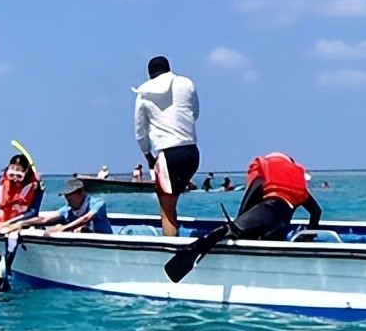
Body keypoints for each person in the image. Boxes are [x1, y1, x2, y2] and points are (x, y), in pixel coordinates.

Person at [164, 151, 321, 282]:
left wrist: (239, 222)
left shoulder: (262, 177)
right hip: (281, 226)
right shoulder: (299, 187)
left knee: (226, 231)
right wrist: (309, 235)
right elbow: (316, 211)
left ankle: (184, 260)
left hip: (266, 214)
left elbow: (247, 204)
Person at [133, 55, 200, 236]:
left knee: (167, 212)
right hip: (192, 152)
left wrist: (149, 157)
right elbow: (195, 112)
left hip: (169, 156)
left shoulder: (144, 94)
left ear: (150, 75)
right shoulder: (186, 84)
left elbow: (140, 132)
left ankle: (172, 248)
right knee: (173, 200)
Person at [0, 177, 113, 236]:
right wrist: (20, 223)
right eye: (66, 195)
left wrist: (63, 229)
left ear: (80, 192)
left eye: (70, 195)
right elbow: (44, 219)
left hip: (103, 238)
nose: (67, 198)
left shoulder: (97, 203)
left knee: (71, 228)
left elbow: (86, 218)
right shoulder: (68, 209)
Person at [0, 152, 42, 241]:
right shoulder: (5, 184)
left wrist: (7, 223)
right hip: (2, 222)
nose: (14, 178)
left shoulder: (35, 186)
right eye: (11, 174)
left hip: (23, 222)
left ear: (26, 173)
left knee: (12, 232)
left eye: (19, 175)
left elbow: (33, 213)